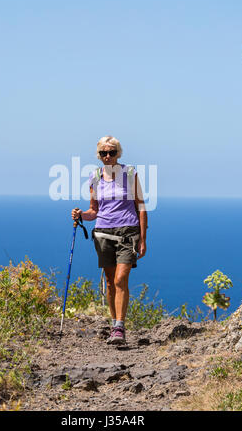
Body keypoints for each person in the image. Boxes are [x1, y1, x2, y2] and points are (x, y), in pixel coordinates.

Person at [71, 136, 147, 345]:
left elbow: (141, 206)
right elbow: (94, 210)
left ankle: (120, 328)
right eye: (103, 153)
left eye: (112, 152)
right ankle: (115, 326)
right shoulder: (94, 177)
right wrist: (81, 215)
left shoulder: (130, 173)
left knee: (121, 279)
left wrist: (143, 238)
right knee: (110, 283)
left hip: (128, 232)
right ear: (99, 155)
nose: (107, 156)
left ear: (118, 154)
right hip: (103, 233)